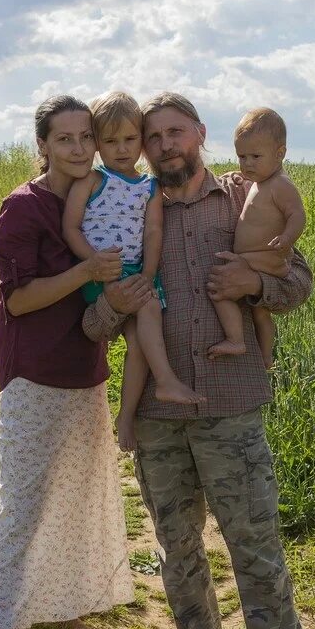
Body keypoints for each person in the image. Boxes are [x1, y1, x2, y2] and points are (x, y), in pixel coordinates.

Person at [82, 92, 315, 629]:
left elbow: (298, 281)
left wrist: (259, 283)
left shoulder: (244, 197)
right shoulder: (128, 210)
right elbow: (92, 326)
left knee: (254, 541)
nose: (165, 145)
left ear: (199, 134)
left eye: (176, 132)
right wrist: (116, 302)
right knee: (178, 544)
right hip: (160, 417)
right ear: (142, 149)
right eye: (153, 137)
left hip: (230, 403)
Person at [0, 94, 134, 629]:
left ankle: (62, 607)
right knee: (20, 503)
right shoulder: (24, 208)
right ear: (42, 145)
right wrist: (83, 273)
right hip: (32, 374)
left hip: (85, 371)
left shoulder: (100, 195)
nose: (77, 148)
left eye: (84, 137)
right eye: (63, 139)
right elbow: (18, 300)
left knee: (74, 494)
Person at [63, 91, 204, 452]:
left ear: (140, 141)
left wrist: (149, 274)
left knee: (140, 341)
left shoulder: (149, 187)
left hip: (138, 271)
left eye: (130, 139)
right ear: (97, 144)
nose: (122, 149)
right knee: (150, 311)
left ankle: (126, 414)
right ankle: (166, 379)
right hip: (103, 271)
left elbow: (153, 231)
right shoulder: (92, 181)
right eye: (110, 141)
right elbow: (71, 227)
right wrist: (93, 264)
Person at [208, 108, 306, 369]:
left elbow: (297, 215)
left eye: (255, 157)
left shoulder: (280, 185)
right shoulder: (258, 182)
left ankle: (236, 338)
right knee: (260, 312)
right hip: (254, 258)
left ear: (280, 153)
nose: (247, 164)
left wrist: (286, 238)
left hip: (264, 257)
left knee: (221, 288)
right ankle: (265, 357)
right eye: (242, 156)